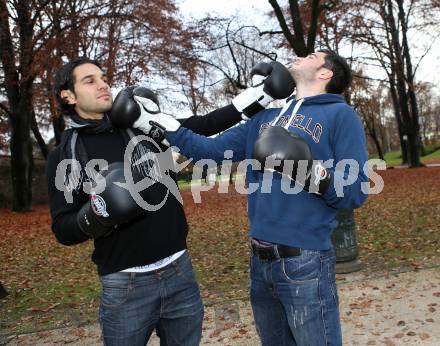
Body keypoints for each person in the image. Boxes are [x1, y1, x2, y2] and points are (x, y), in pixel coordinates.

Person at [46, 56, 294, 345]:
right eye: (90, 81)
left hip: (180, 271)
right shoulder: (65, 155)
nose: (104, 85)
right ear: (68, 95)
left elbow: (203, 125)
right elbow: (63, 228)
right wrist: (98, 212)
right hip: (125, 284)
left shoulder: (139, 124)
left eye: (103, 78)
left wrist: (260, 96)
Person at [133, 50, 369, 345]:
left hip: (305, 260)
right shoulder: (266, 118)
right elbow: (210, 151)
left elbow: (355, 192)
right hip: (260, 262)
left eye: (311, 55)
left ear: (325, 73)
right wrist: (158, 123)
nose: (299, 56)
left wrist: (310, 172)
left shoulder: (340, 115)